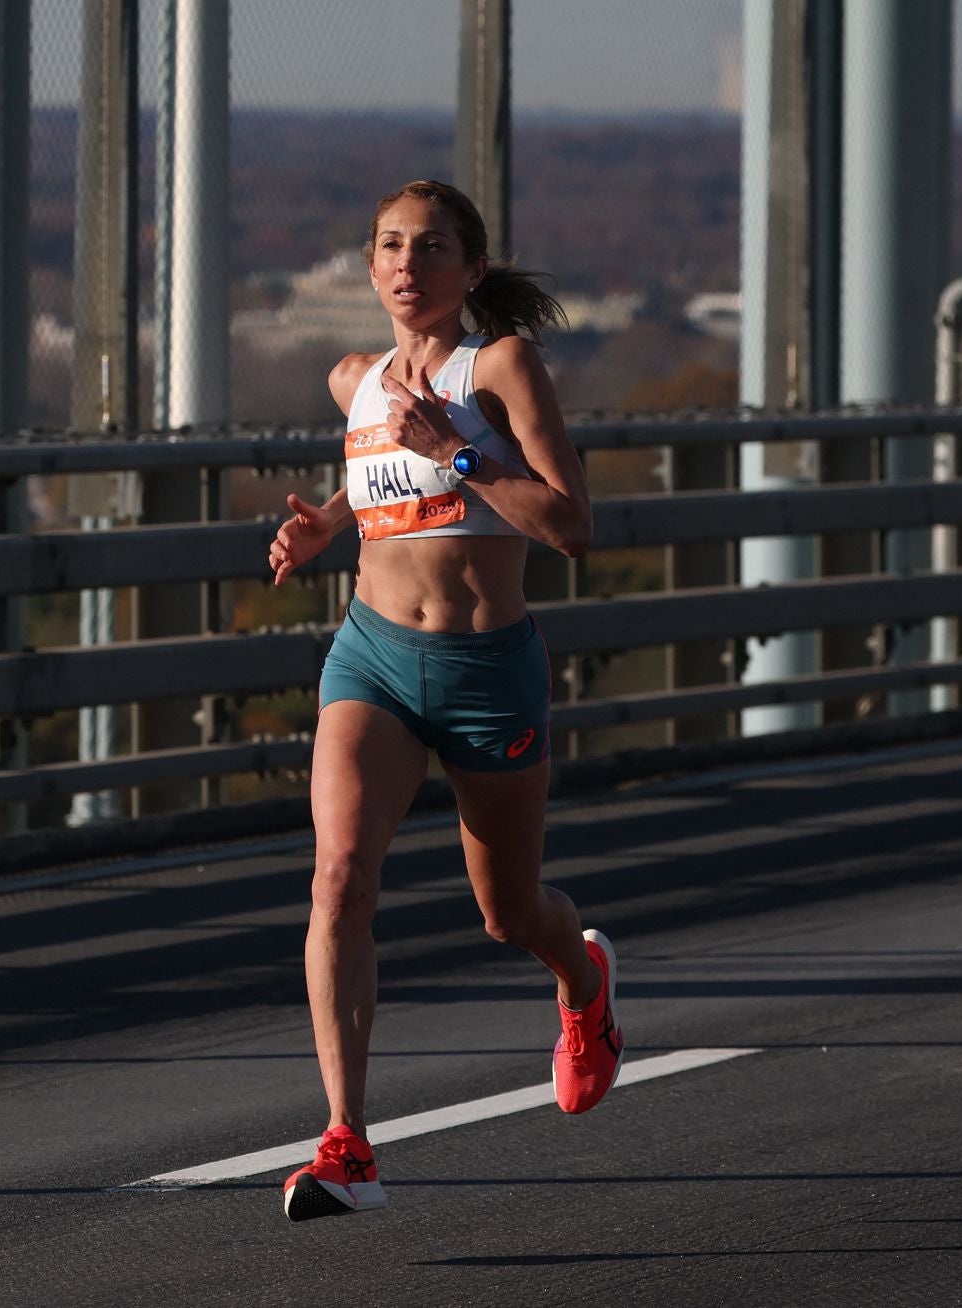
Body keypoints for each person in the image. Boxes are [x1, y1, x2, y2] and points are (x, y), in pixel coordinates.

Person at [267, 180, 620, 1223]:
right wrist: (328, 523)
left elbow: (570, 527)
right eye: (389, 247)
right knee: (338, 881)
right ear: (370, 267)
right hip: (371, 659)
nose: (407, 266)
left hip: (484, 670)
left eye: (430, 249)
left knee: (508, 913)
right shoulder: (353, 381)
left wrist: (456, 453)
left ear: (471, 270)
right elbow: (385, 469)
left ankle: (583, 980)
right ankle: (347, 1143)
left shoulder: (501, 366)